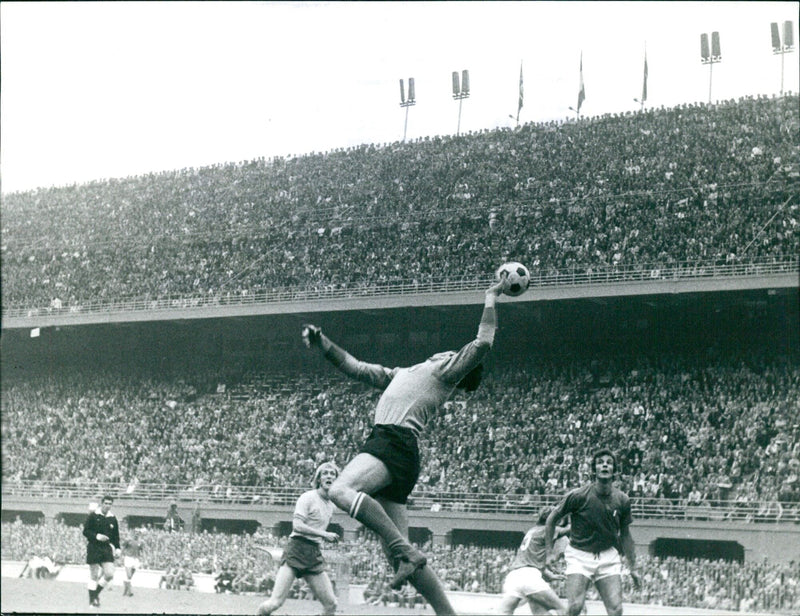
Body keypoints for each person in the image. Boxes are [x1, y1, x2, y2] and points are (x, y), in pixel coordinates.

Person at [300, 275, 507, 615]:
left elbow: (483, 343)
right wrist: (324, 344)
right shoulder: (405, 372)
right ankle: (446, 612)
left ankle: (405, 550)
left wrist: (490, 297)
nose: (449, 351)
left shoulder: (444, 372)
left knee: (340, 491)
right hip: (399, 453)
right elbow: (357, 368)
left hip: (392, 441)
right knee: (400, 559)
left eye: (455, 354)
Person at [545, 449, 641, 616]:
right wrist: (549, 553)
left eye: (609, 463)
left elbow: (625, 535)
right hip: (579, 556)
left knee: (616, 610)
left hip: (608, 556)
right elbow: (551, 519)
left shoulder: (622, 499)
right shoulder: (578, 496)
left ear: (614, 471)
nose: (604, 464)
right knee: (575, 607)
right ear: (594, 470)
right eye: (600, 462)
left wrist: (632, 567)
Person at [257, 462, 341, 616]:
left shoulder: (331, 505)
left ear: (336, 479)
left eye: (332, 474)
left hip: (313, 553)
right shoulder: (308, 497)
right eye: (325, 473)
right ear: (319, 479)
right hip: (296, 548)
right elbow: (297, 526)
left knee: (331, 605)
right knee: (274, 603)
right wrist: (324, 534)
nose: (329, 476)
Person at [497, 507, 569, 615]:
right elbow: (569, 529)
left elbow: (530, 561)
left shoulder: (532, 530)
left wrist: (549, 575)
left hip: (514, 577)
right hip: (530, 578)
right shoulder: (548, 529)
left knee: (506, 611)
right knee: (562, 610)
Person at [82, 495, 121, 608]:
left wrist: (118, 548)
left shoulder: (112, 518)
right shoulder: (93, 516)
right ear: (102, 503)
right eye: (106, 503)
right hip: (94, 546)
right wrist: (97, 536)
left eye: (110, 504)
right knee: (94, 575)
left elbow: (115, 536)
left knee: (109, 574)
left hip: (106, 548)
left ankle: (95, 595)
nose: (108, 506)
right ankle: (91, 602)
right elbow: (86, 531)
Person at [121, 528, 143, 597]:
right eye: (135, 532)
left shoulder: (140, 542)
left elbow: (141, 551)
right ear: (133, 533)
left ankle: (125, 591)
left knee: (129, 577)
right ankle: (130, 592)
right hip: (128, 558)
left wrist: (142, 558)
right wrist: (122, 555)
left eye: (138, 533)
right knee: (129, 575)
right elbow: (123, 547)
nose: (136, 534)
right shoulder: (128, 540)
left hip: (135, 559)